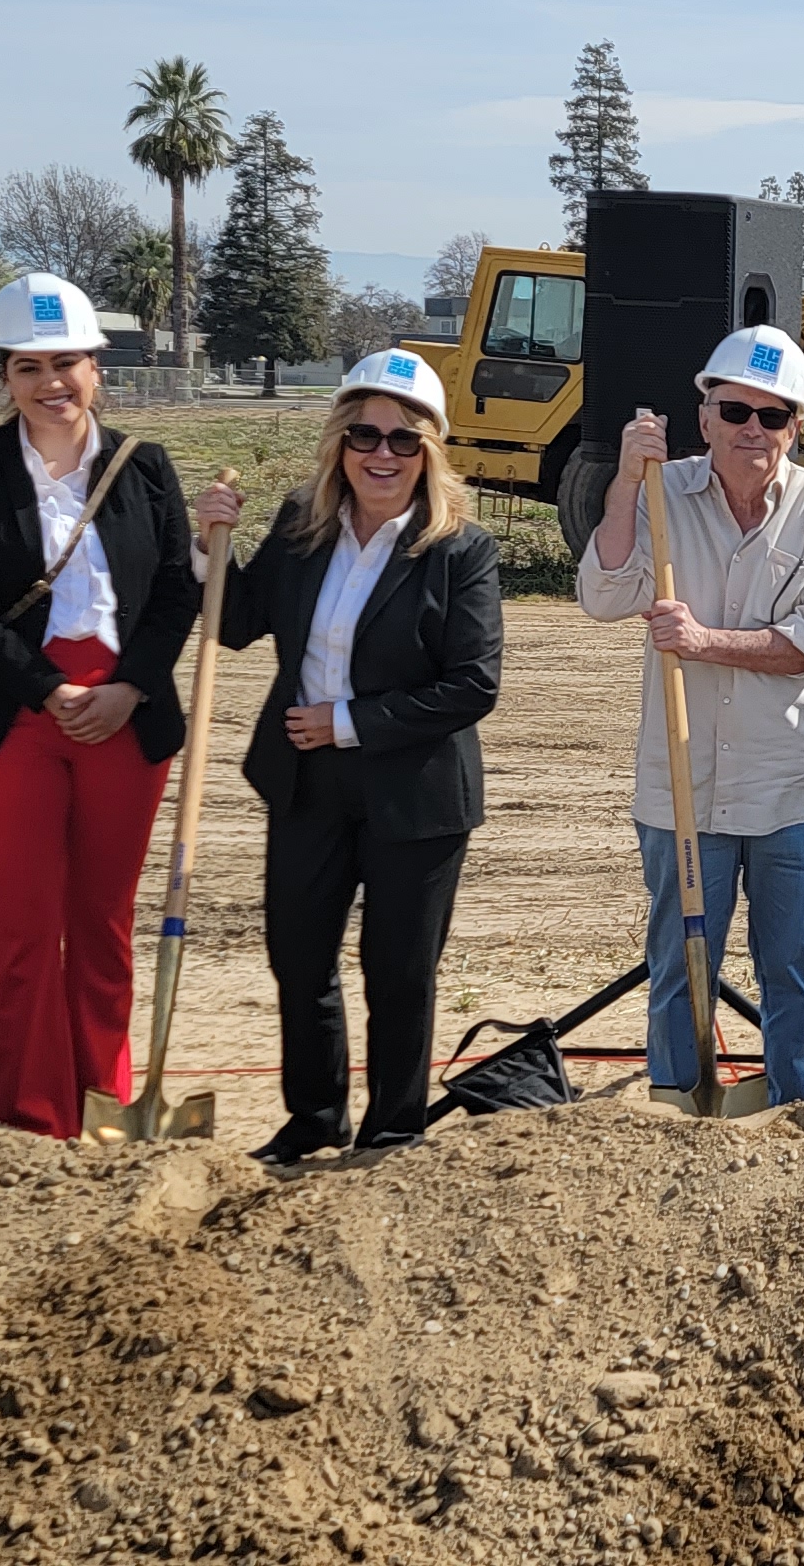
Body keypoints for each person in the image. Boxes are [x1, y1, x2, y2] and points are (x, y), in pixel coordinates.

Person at [0, 272, 198, 1138]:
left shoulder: (143, 466)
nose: (50, 383)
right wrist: (50, 689)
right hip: (9, 720)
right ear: (4, 376)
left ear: (98, 367)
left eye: (65, 362)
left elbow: (179, 590)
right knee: (26, 925)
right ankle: (31, 1118)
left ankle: (104, 1103)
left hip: (123, 713)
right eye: (29, 366)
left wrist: (129, 687)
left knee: (103, 924)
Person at [196, 351, 502, 1162]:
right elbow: (235, 624)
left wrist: (351, 721)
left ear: (432, 451)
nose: (383, 454)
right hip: (306, 783)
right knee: (299, 961)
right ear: (339, 441)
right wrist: (211, 548)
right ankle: (313, 1117)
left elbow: (472, 686)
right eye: (365, 433)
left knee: (398, 973)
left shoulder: (460, 551)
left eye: (405, 441)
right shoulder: (303, 525)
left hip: (417, 794)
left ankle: (392, 1127)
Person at [577, 325, 804, 1110]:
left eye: (774, 417)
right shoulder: (662, 496)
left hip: (792, 787)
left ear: (796, 428)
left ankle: (789, 1112)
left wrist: (704, 640)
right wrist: (627, 483)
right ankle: (676, 1106)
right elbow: (603, 596)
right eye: (736, 411)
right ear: (705, 417)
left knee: (793, 971)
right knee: (679, 964)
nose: (753, 431)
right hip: (684, 789)